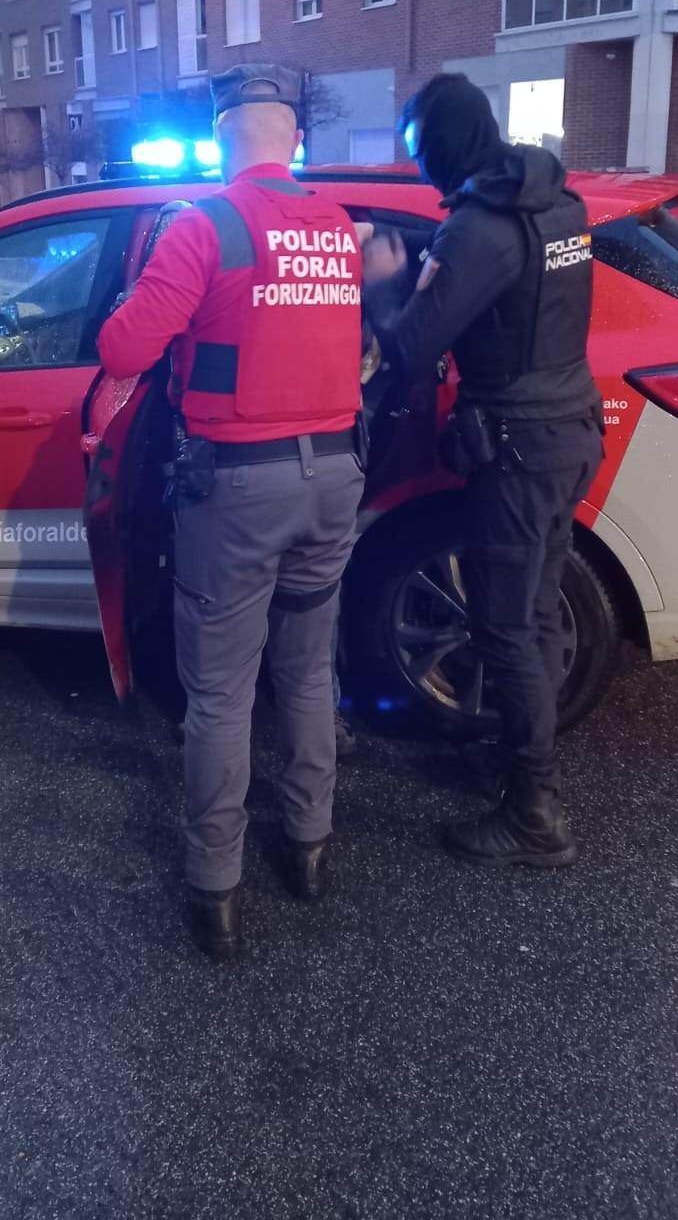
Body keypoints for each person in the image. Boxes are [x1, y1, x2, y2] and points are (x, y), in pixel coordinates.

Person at [97, 64, 365, 960]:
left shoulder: (204, 224)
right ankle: (311, 848)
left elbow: (123, 346)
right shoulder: (337, 228)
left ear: (220, 145)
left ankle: (216, 888)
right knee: (306, 673)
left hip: (241, 488)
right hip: (334, 477)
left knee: (219, 694)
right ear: (293, 142)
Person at [364, 74, 603, 868]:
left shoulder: (478, 229)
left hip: (518, 446)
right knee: (532, 617)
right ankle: (524, 773)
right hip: (567, 432)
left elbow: (409, 345)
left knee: (503, 627)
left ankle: (534, 815)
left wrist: (387, 280)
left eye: (418, 153)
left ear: (442, 145)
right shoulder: (556, 202)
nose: (419, 172)